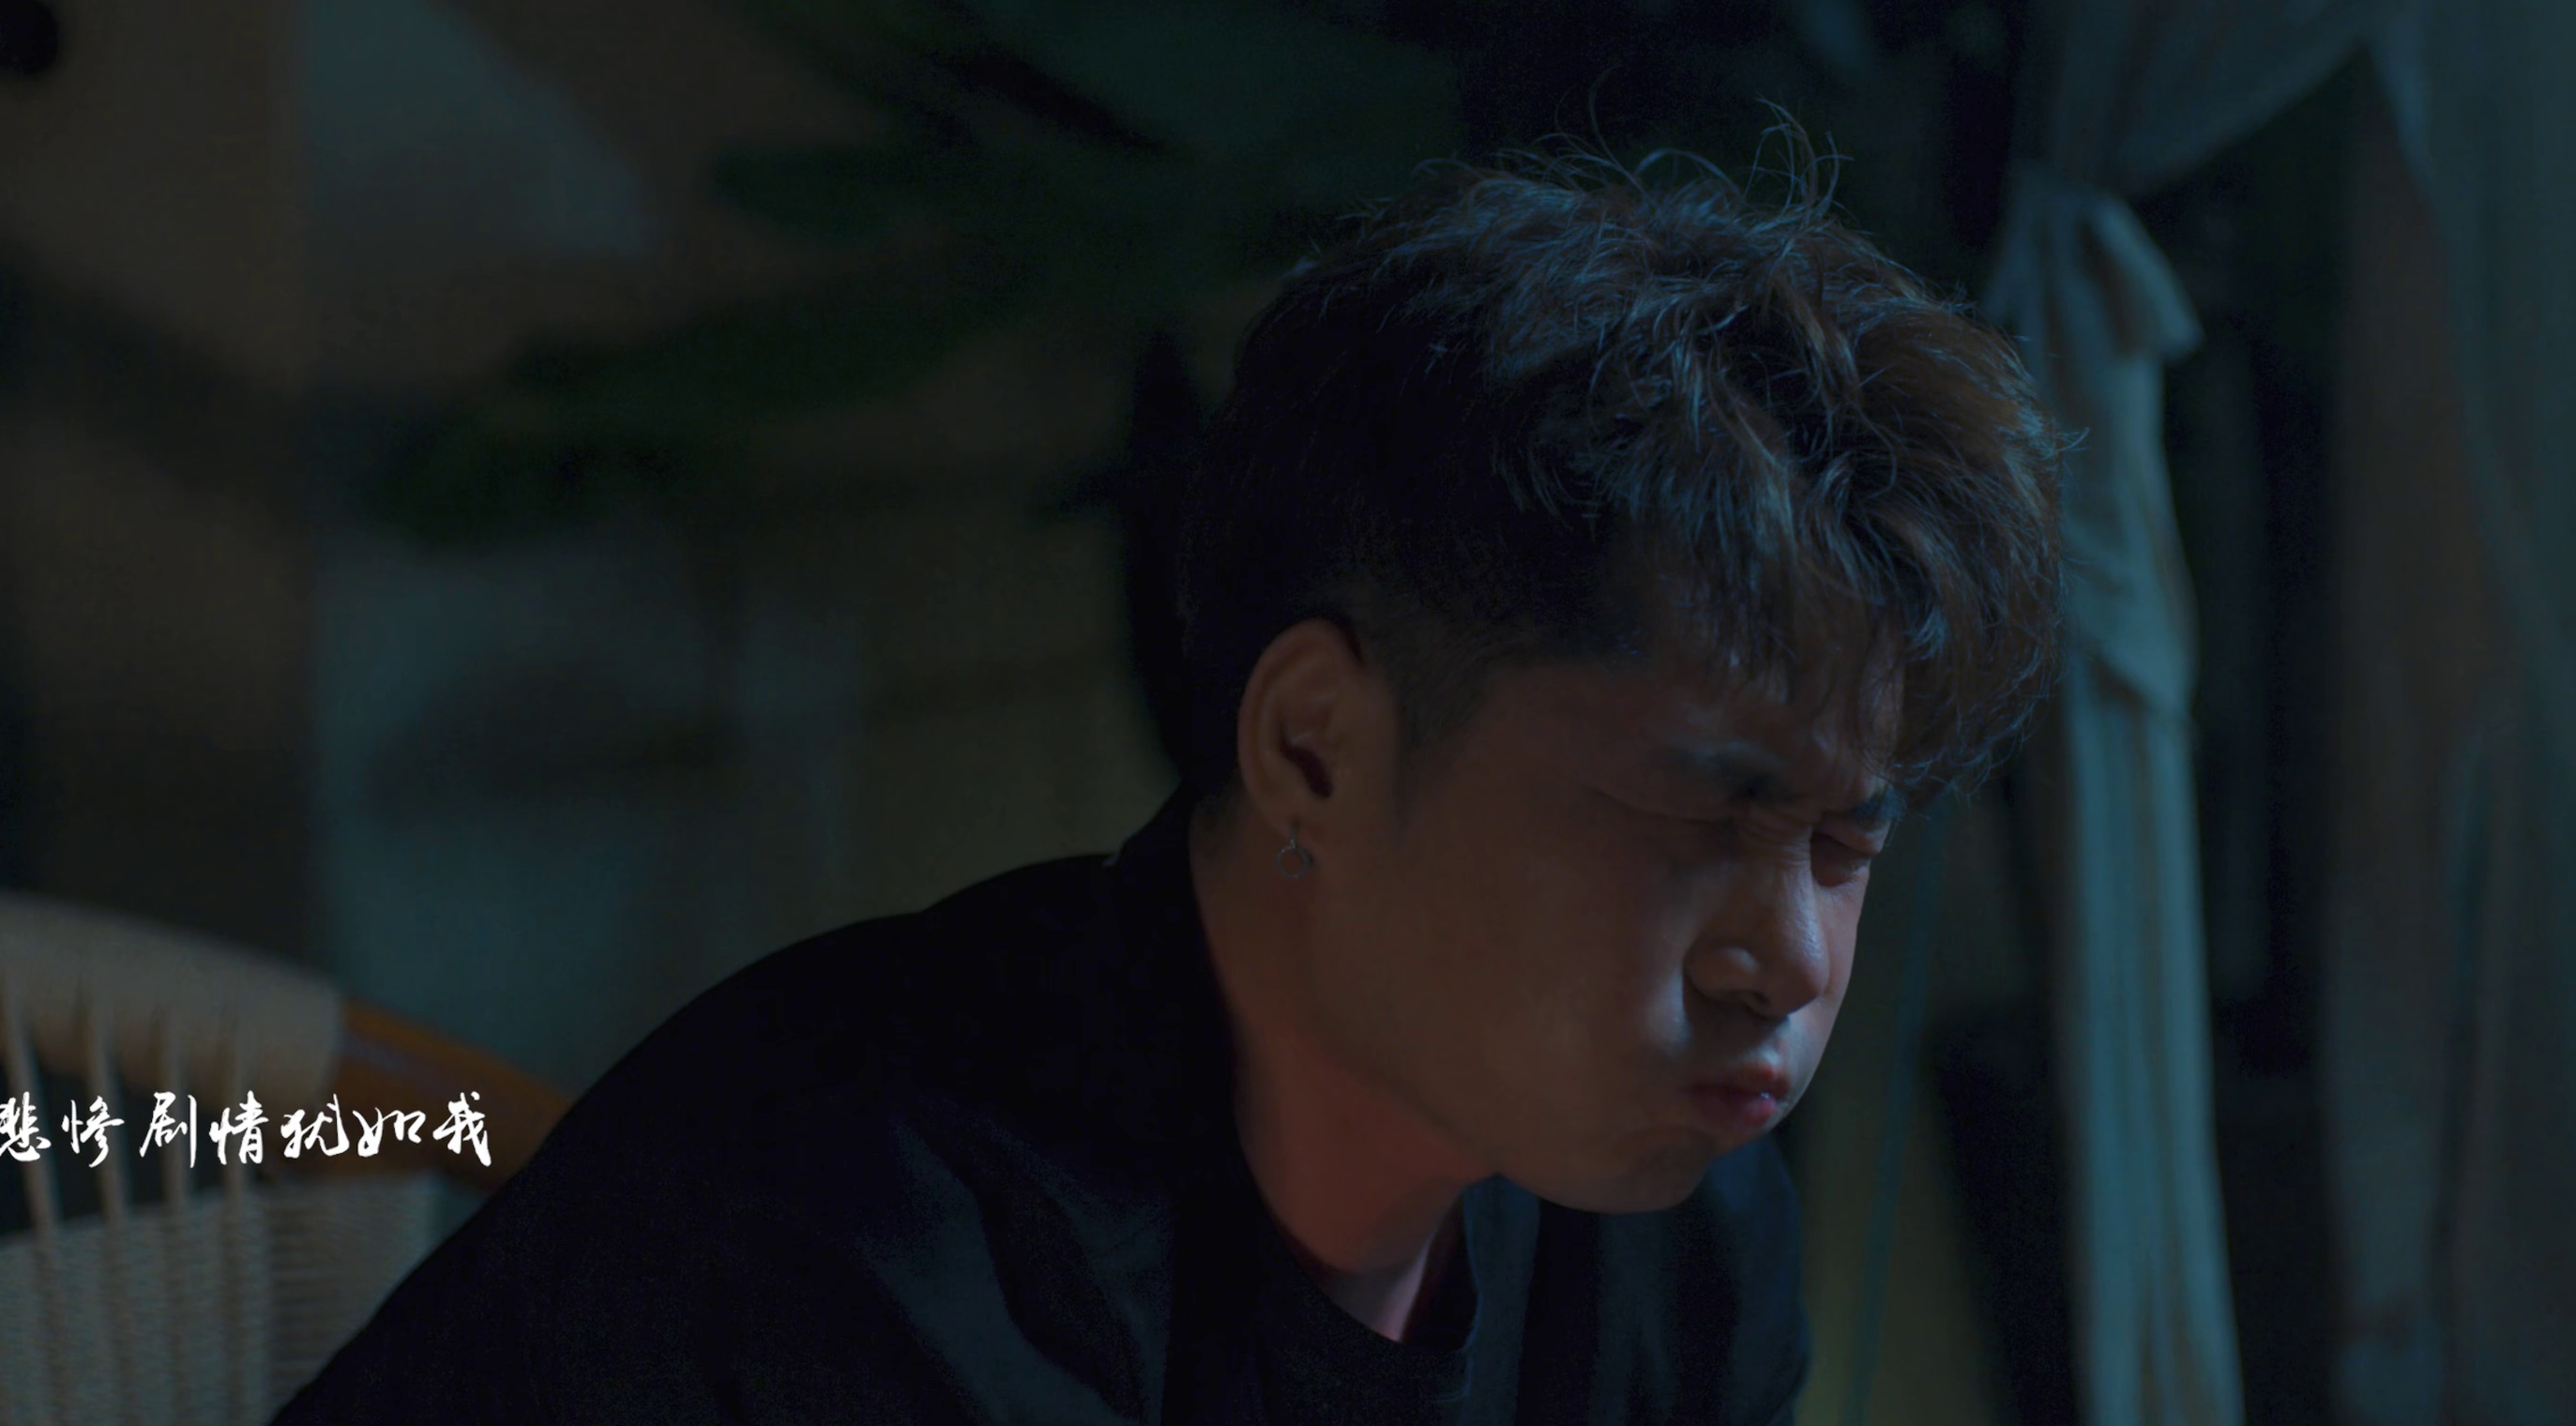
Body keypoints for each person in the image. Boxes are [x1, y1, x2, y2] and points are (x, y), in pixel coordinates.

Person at [273, 140, 2064, 1425]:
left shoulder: (1669, 1251)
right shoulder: (857, 1255)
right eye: (1700, 818)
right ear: (1315, 747)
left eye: (1844, 842)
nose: (1790, 958)